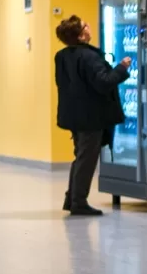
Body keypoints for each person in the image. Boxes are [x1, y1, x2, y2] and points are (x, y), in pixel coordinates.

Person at [55, 15, 131, 216]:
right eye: (85, 26)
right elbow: (104, 82)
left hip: (73, 114)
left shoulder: (62, 56)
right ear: (81, 36)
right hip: (90, 116)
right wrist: (122, 67)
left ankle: (72, 198)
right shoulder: (88, 57)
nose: (89, 26)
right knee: (87, 159)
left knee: (80, 157)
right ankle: (79, 202)